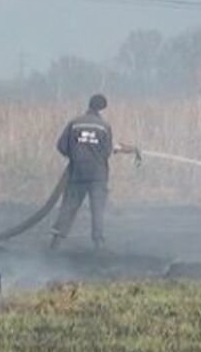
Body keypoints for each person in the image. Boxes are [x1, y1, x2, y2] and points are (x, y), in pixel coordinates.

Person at [50, 94, 138, 250]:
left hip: (76, 174)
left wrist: (76, 156)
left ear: (89, 105)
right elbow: (107, 151)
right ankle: (98, 245)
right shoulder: (104, 126)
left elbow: (62, 146)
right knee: (97, 209)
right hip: (98, 176)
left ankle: (55, 244)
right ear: (102, 108)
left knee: (69, 207)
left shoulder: (74, 123)